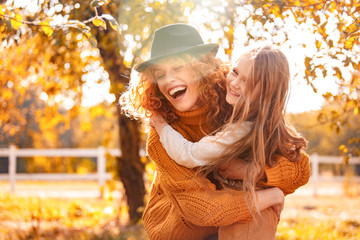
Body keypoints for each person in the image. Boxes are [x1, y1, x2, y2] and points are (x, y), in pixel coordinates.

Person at [120, 23, 310, 240]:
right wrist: (270, 196)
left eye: (178, 67)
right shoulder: (162, 135)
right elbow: (201, 210)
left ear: (201, 68)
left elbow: (300, 169)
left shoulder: (235, 102)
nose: (168, 80)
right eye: (160, 74)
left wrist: (255, 172)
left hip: (229, 225)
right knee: (257, 206)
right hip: (181, 231)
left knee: (257, 213)